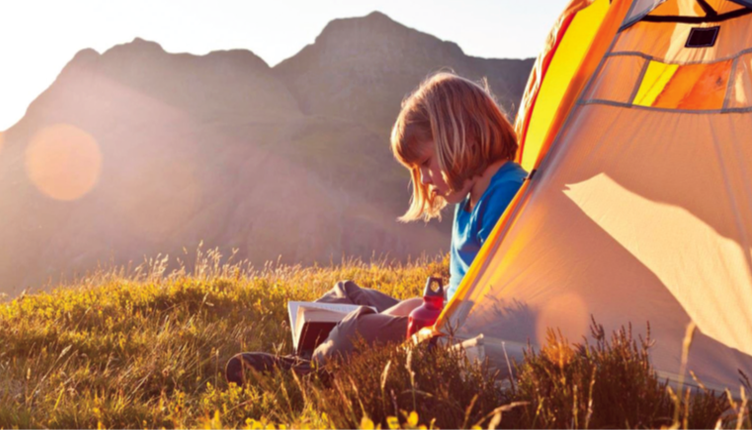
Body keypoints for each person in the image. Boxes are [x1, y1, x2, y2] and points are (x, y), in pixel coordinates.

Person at [225, 72, 528, 385]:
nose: (423, 180)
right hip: (446, 314)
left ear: (461, 136)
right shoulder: (470, 198)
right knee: (347, 293)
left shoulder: (504, 195)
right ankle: (315, 357)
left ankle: (307, 370)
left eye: (425, 162)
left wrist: (409, 319)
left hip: (458, 331)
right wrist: (407, 310)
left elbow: (506, 308)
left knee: (355, 331)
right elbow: (455, 292)